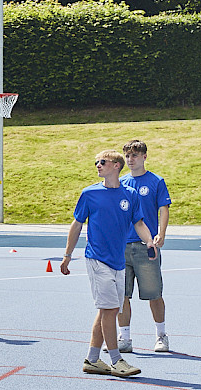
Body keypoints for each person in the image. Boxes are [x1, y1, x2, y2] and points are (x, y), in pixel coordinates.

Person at [61, 150, 157, 378]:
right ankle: (116, 360)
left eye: (102, 162)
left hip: (118, 261)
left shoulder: (131, 194)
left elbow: (139, 223)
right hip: (97, 259)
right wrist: (67, 256)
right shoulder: (89, 194)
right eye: (96, 162)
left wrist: (150, 241)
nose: (98, 165)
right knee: (110, 309)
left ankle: (92, 359)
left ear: (116, 165)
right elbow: (76, 225)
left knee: (108, 310)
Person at [117, 139, 173, 353]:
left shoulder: (156, 181)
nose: (130, 160)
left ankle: (161, 335)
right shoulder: (120, 182)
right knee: (122, 295)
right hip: (122, 246)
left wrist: (162, 233)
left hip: (145, 246)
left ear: (144, 157)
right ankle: (125, 337)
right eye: (127, 156)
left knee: (154, 294)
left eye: (134, 156)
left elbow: (164, 209)